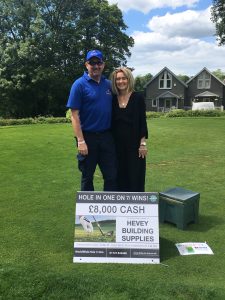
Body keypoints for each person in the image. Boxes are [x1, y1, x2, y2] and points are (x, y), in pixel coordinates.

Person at [67, 50, 117, 191]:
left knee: (111, 176)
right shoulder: (79, 84)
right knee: (87, 176)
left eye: (98, 62)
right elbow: (74, 115)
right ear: (86, 65)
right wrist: (81, 141)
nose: (96, 66)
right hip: (87, 138)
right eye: (92, 63)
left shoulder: (108, 84)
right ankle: (87, 214)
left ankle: (109, 211)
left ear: (103, 65)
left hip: (107, 137)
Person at [110, 67, 148, 192]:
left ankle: (136, 207)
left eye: (123, 78)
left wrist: (142, 144)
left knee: (135, 178)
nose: (121, 81)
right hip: (116, 147)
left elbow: (143, 122)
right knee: (119, 178)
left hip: (135, 147)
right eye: (118, 79)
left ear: (129, 79)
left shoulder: (138, 98)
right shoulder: (112, 99)